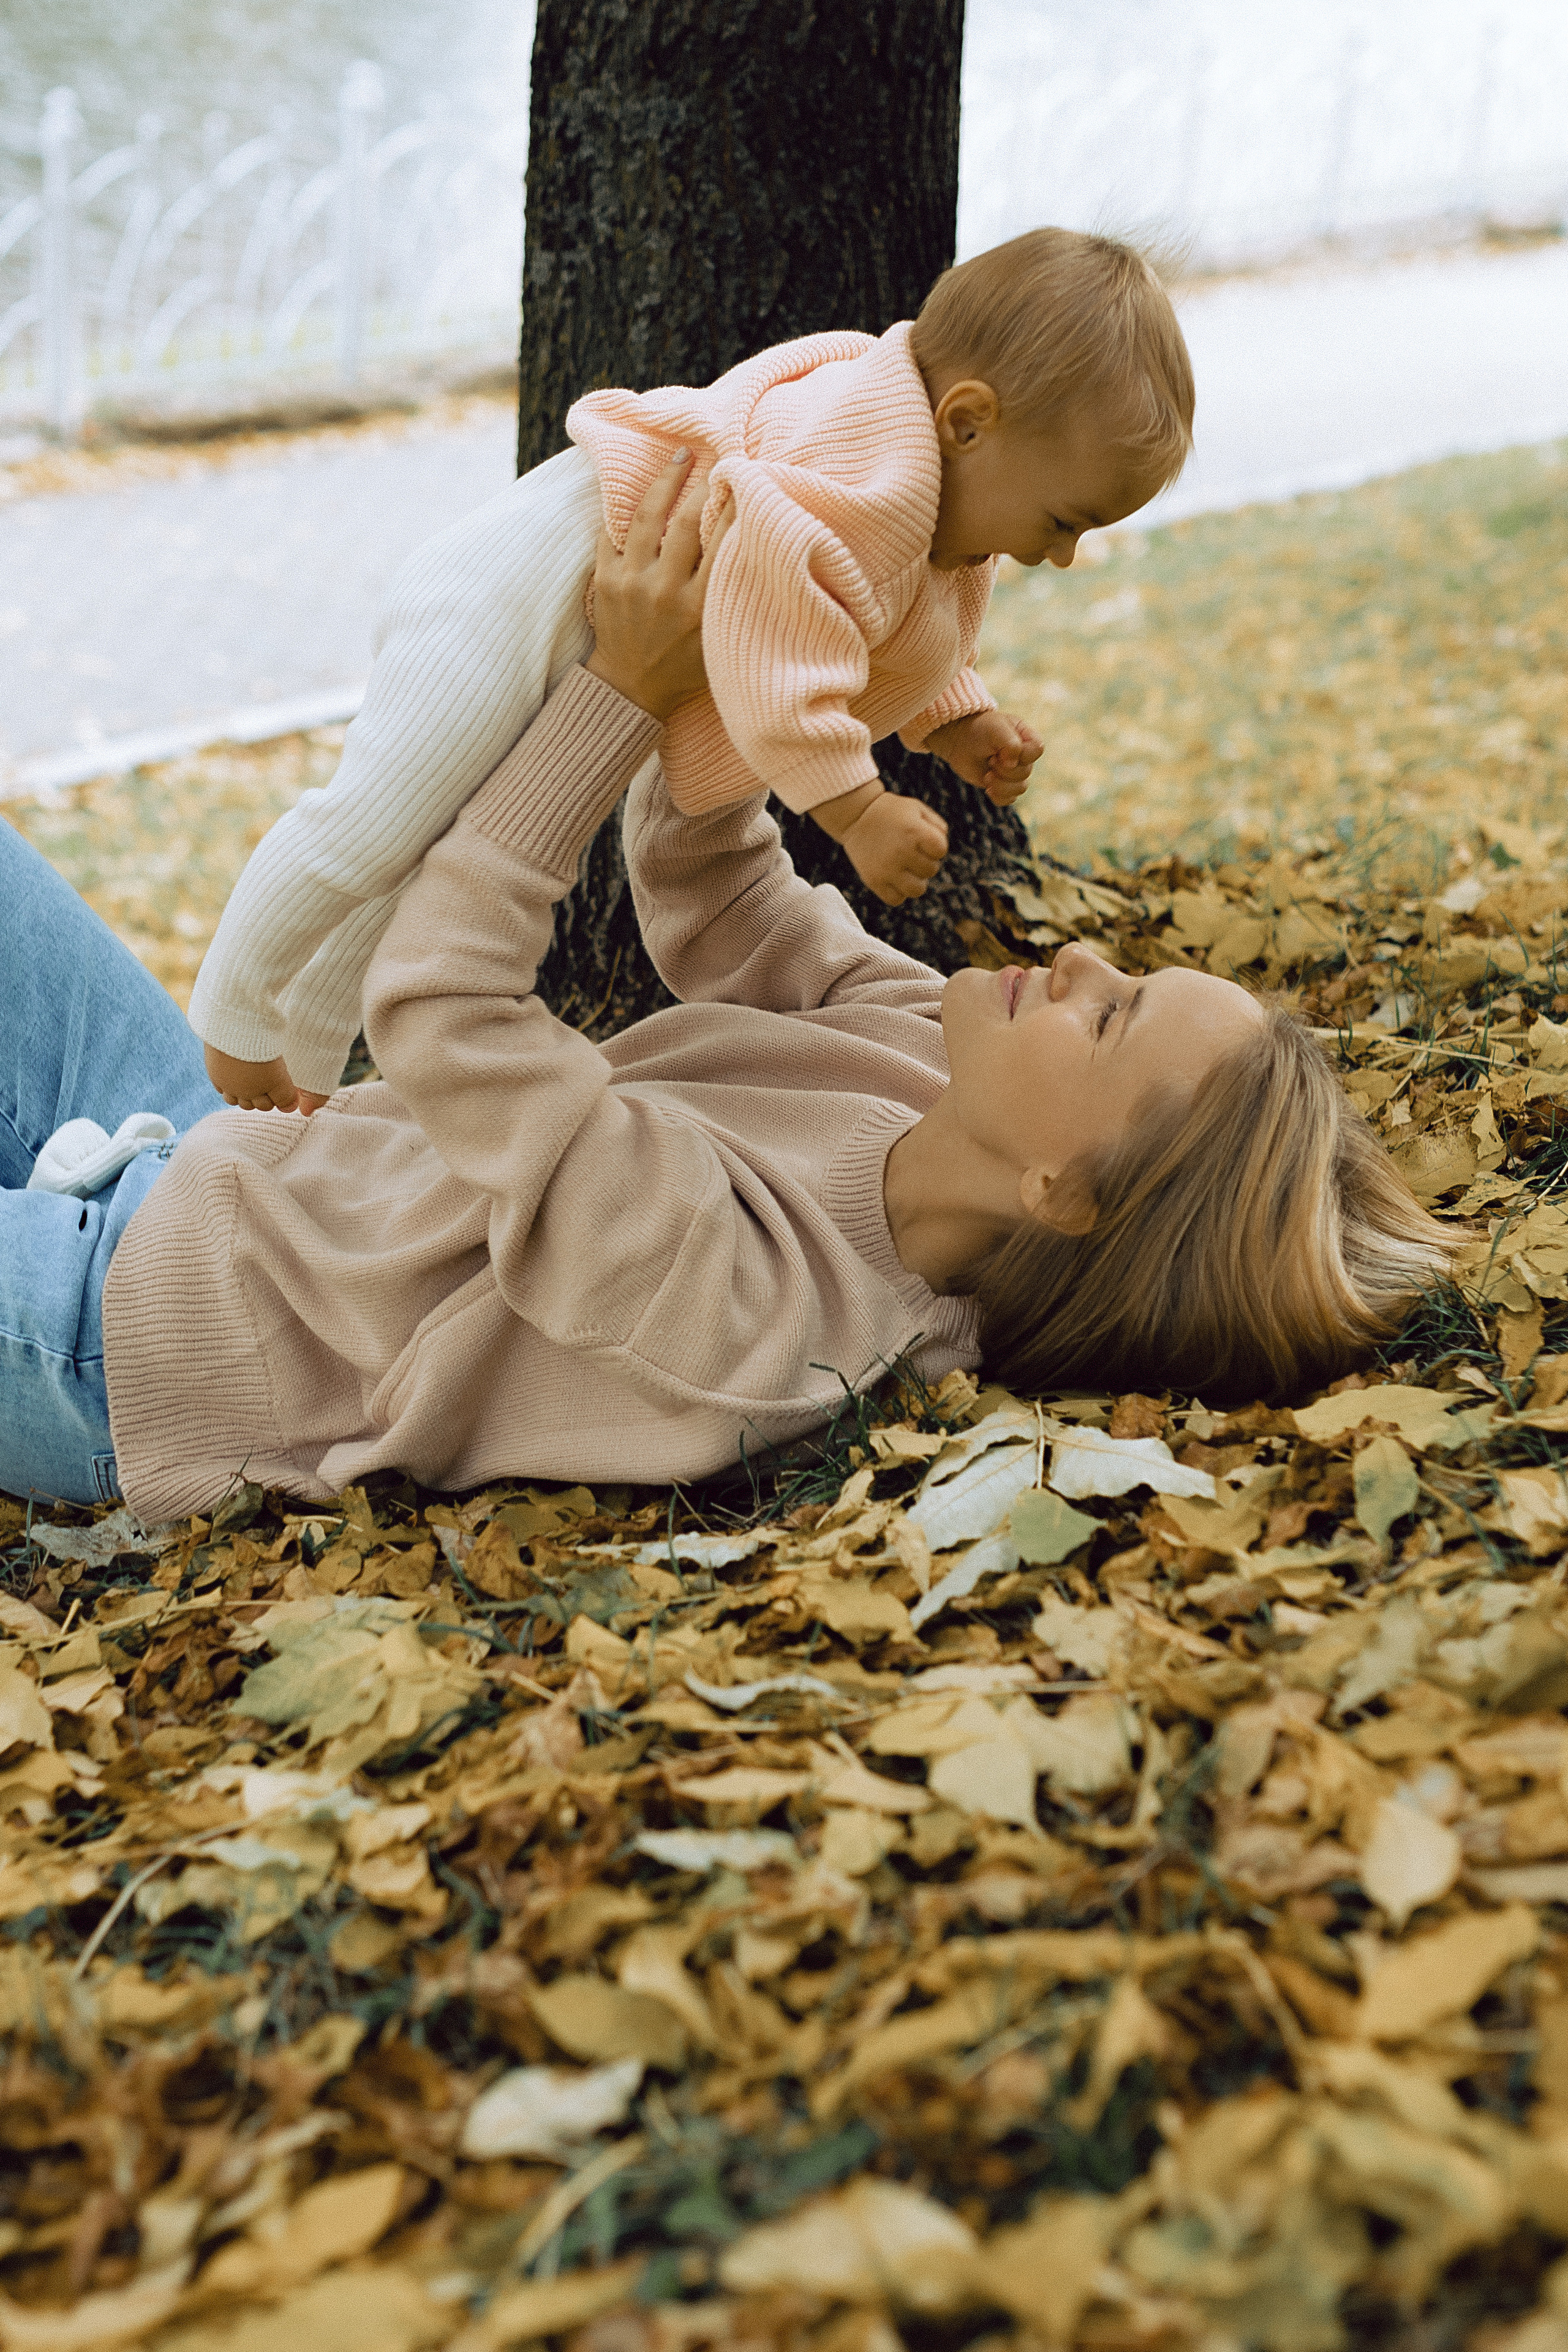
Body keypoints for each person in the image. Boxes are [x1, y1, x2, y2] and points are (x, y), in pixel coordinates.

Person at [1, 461, 1449, 1520]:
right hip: (207, 1150)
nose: (1076, 963)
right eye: (1121, 974)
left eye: (1111, 1014)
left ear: (1059, 1191)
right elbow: (717, 885)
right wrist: (770, 636)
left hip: (125, 1338)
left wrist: (617, 696)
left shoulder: (756, 1322)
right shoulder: (922, 1064)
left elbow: (438, 1004)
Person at [187, 228, 1194, 1118]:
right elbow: (778, 632)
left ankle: (303, 1081)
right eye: (1064, 521)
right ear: (968, 422)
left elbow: (880, 629)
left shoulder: (915, 496)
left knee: (413, 852)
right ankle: (232, 1011)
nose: (1060, 556)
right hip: (512, 596)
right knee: (373, 824)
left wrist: (958, 718)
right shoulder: (858, 474)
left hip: (582, 613)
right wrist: (854, 807)